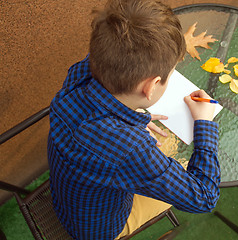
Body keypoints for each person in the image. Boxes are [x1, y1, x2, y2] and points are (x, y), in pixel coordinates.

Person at [47, 0, 220, 239]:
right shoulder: (132, 149)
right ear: (150, 87)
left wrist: (133, 119)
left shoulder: (81, 71)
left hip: (65, 196)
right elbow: (204, 197)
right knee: (179, 166)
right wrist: (204, 123)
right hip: (96, 230)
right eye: (169, 76)